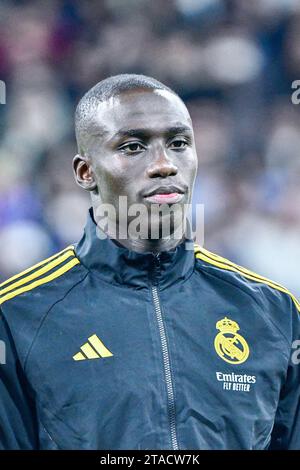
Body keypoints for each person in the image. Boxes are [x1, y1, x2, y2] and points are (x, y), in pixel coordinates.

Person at [0, 74, 299, 450]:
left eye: (178, 143)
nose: (164, 165)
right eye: (133, 146)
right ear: (85, 172)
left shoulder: (273, 311)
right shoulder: (16, 316)